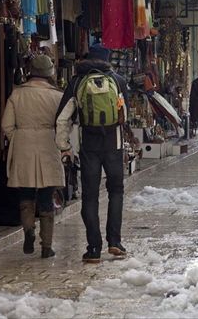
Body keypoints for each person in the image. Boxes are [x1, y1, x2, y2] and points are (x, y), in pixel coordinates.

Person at [55, 43, 129, 263]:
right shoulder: (118, 80)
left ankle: (93, 249)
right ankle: (115, 242)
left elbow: (62, 118)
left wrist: (64, 145)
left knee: (90, 196)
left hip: (89, 145)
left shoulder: (77, 81)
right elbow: (124, 114)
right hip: (113, 144)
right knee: (116, 192)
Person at [1, 55, 64, 258]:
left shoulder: (17, 94)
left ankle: (28, 230)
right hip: (48, 145)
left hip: (23, 147)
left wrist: (19, 138)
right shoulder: (57, 96)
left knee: (26, 194)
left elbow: (6, 126)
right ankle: (47, 246)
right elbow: (63, 124)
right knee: (46, 196)